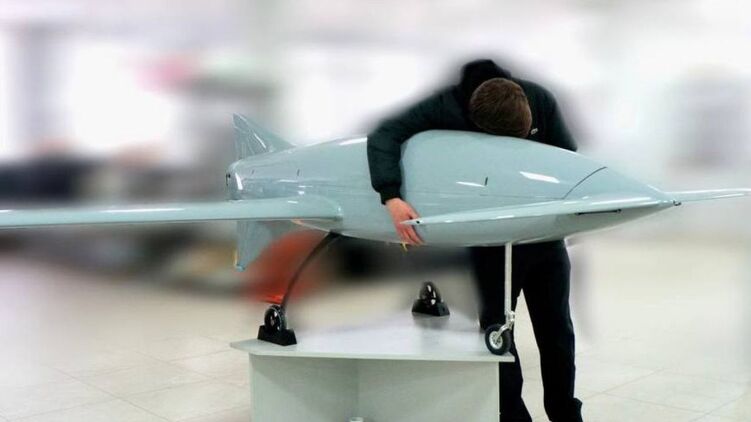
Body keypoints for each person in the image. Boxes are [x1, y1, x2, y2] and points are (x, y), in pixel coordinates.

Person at [366, 58, 583, 422]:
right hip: (489, 241)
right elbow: (385, 134)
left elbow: (568, 159)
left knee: (557, 330)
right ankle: (512, 415)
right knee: (496, 331)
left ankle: (565, 413)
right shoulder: (445, 106)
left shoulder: (540, 99)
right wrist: (391, 196)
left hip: (543, 236)